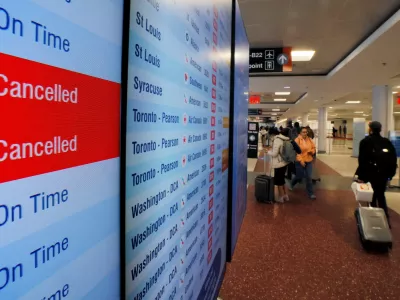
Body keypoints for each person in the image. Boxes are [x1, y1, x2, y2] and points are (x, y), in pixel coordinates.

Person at [356, 121, 398, 227]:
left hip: (370, 174)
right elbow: (393, 159)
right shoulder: (386, 142)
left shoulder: (365, 142)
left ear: (370, 129)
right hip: (383, 175)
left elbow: (362, 161)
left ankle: (373, 221)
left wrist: (361, 176)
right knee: (381, 196)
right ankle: (386, 221)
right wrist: (390, 175)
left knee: (371, 197)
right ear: (380, 129)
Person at [290, 127, 317, 199]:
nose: (305, 133)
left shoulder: (310, 140)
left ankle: (310, 193)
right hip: (299, 161)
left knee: (309, 177)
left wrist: (312, 151)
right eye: (303, 132)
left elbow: (314, 148)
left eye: (306, 132)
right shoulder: (297, 140)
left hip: (309, 160)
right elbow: (297, 152)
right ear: (300, 133)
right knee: (299, 176)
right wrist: (301, 161)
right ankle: (292, 183)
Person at [269, 127, 291, 203]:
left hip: (279, 163)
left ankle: (281, 197)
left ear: (272, 134)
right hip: (285, 162)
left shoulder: (277, 140)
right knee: (282, 180)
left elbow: (274, 154)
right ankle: (285, 195)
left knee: (278, 181)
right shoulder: (285, 139)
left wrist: (267, 152)